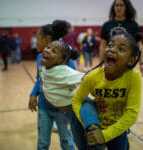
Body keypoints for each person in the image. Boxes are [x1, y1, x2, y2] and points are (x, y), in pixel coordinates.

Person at [72, 32, 142, 150]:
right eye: (110, 45)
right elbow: (76, 100)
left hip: (117, 129)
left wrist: (105, 135)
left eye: (121, 49)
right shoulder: (93, 76)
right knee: (86, 103)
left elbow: (132, 113)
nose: (112, 50)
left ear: (131, 60)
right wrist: (88, 127)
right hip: (96, 125)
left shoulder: (133, 77)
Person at [28, 20, 87, 150]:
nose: (36, 42)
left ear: (47, 39)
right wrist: (33, 94)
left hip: (62, 111)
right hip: (44, 107)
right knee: (42, 142)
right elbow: (40, 79)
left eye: (38, 39)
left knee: (66, 141)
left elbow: (76, 83)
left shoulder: (67, 61)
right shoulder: (40, 58)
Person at [99, 0, 143, 76]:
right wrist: (101, 63)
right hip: (110, 63)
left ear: (126, 8)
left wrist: (141, 63)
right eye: (116, 5)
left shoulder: (133, 25)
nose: (118, 8)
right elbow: (103, 45)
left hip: (127, 64)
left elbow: (139, 46)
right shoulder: (107, 25)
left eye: (121, 5)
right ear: (113, 8)